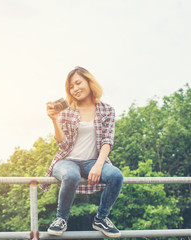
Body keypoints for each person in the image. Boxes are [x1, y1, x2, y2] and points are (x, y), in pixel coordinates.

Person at [40, 66, 123, 238]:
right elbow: (62, 146)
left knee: (116, 176)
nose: (75, 89)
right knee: (71, 176)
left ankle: (101, 218)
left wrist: (99, 165)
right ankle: (61, 218)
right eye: (71, 86)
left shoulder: (107, 110)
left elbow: (108, 140)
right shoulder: (67, 111)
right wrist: (55, 120)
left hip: (93, 161)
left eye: (78, 83)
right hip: (66, 161)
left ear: (89, 82)